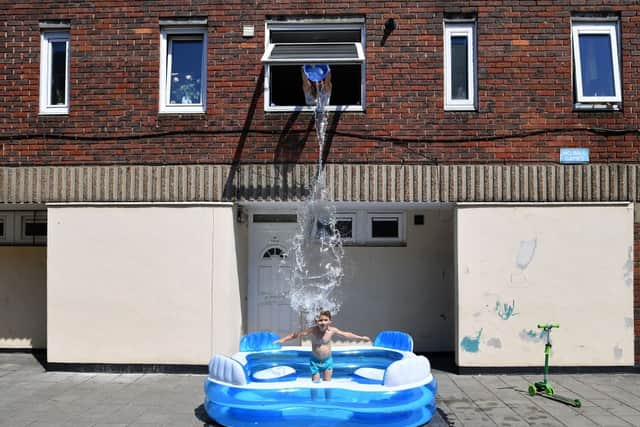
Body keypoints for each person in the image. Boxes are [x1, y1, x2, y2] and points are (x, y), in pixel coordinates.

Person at [275, 310, 370, 382]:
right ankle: (314, 405)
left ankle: (327, 405)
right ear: (317, 321)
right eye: (320, 320)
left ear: (330, 321)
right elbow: (296, 335)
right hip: (315, 361)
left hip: (327, 361)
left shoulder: (332, 330)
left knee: (327, 385)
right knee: (315, 384)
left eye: (325, 320)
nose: (323, 322)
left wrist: (361, 338)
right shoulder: (312, 330)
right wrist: (282, 340)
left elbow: (346, 334)